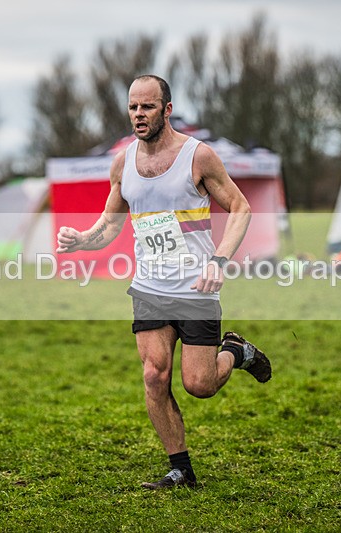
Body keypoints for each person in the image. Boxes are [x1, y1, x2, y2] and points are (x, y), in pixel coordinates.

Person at [56, 74, 272, 490]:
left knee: (199, 385)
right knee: (155, 375)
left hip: (195, 288)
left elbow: (241, 208)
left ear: (166, 110)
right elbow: (110, 223)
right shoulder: (122, 164)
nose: (139, 114)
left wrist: (219, 260)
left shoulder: (198, 157)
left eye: (148, 107)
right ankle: (181, 468)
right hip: (150, 289)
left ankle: (237, 352)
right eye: (133, 107)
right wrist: (82, 241)